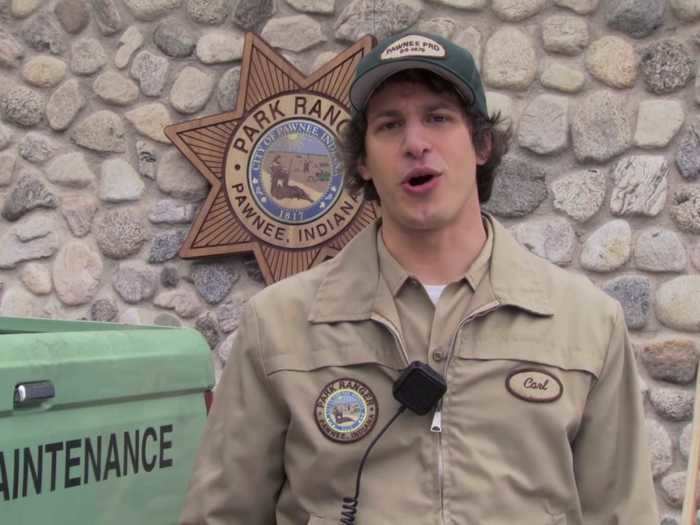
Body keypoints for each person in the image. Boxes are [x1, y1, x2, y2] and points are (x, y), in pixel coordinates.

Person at [180, 32, 658, 525]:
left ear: (481, 144)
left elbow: (623, 513)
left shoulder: (587, 323)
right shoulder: (278, 325)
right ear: (362, 161)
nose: (415, 143)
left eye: (438, 117)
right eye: (389, 125)